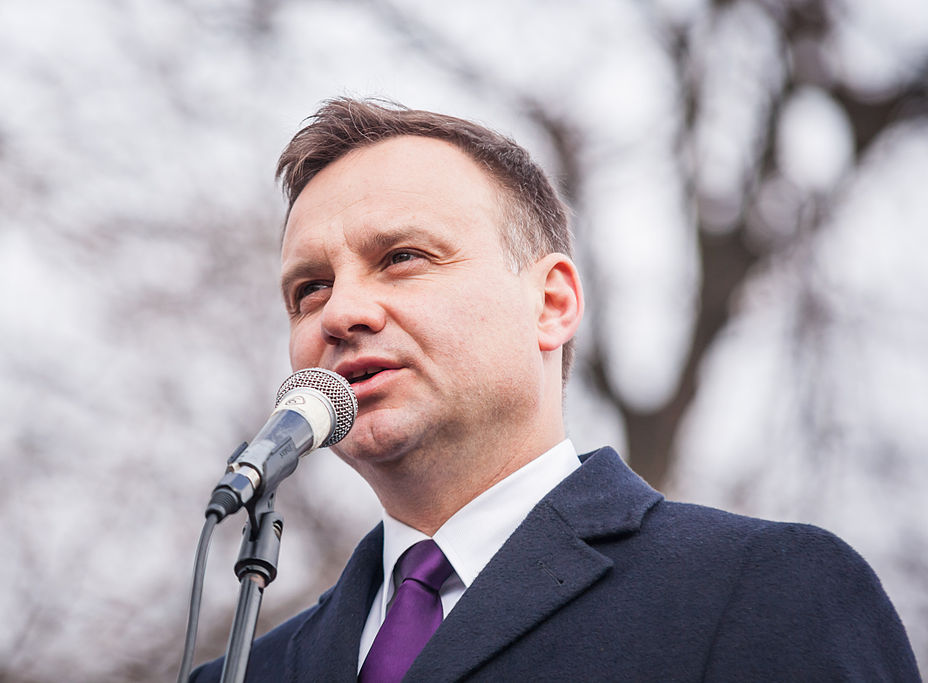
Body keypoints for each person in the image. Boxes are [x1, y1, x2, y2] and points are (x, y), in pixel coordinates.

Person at [191, 97, 918, 682]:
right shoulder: (246, 672)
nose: (340, 312)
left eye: (402, 257)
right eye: (309, 289)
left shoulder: (766, 592)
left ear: (551, 303)